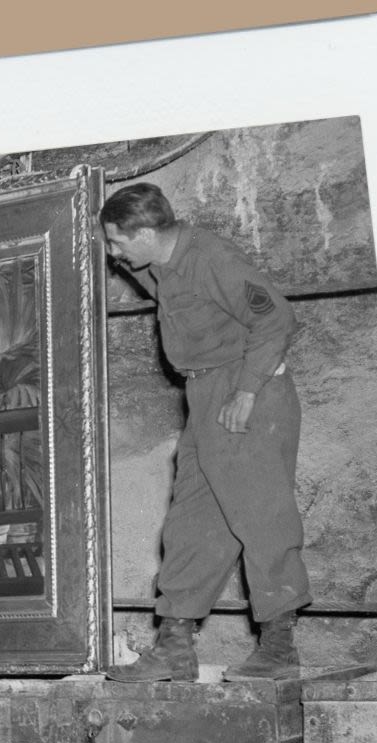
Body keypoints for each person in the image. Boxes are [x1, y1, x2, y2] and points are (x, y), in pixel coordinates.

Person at [99, 182, 312, 682]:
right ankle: (175, 645)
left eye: (117, 242)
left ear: (147, 233)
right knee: (191, 520)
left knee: (261, 516)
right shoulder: (160, 267)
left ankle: (280, 647)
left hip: (243, 392)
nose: (113, 254)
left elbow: (276, 318)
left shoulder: (213, 256)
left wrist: (248, 390)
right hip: (204, 398)